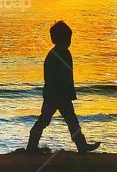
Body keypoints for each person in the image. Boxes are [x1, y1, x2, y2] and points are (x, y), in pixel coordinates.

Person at [26, 20, 101, 154]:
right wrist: (67, 93)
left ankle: (81, 144)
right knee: (52, 120)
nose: (69, 41)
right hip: (58, 94)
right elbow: (62, 76)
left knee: (66, 120)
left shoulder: (55, 53)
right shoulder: (61, 54)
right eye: (68, 38)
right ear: (61, 38)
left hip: (54, 94)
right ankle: (32, 146)